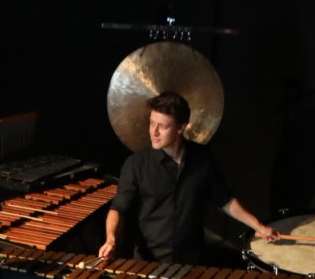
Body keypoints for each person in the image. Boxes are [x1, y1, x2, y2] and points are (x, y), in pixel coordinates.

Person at [99, 93, 278, 264]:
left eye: (163, 126)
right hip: (149, 262)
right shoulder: (136, 164)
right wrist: (110, 238)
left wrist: (258, 226)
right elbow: (119, 208)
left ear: (181, 127)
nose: (154, 131)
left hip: (192, 261)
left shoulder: (202, 158)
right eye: (152, 123)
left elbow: (225, 200)